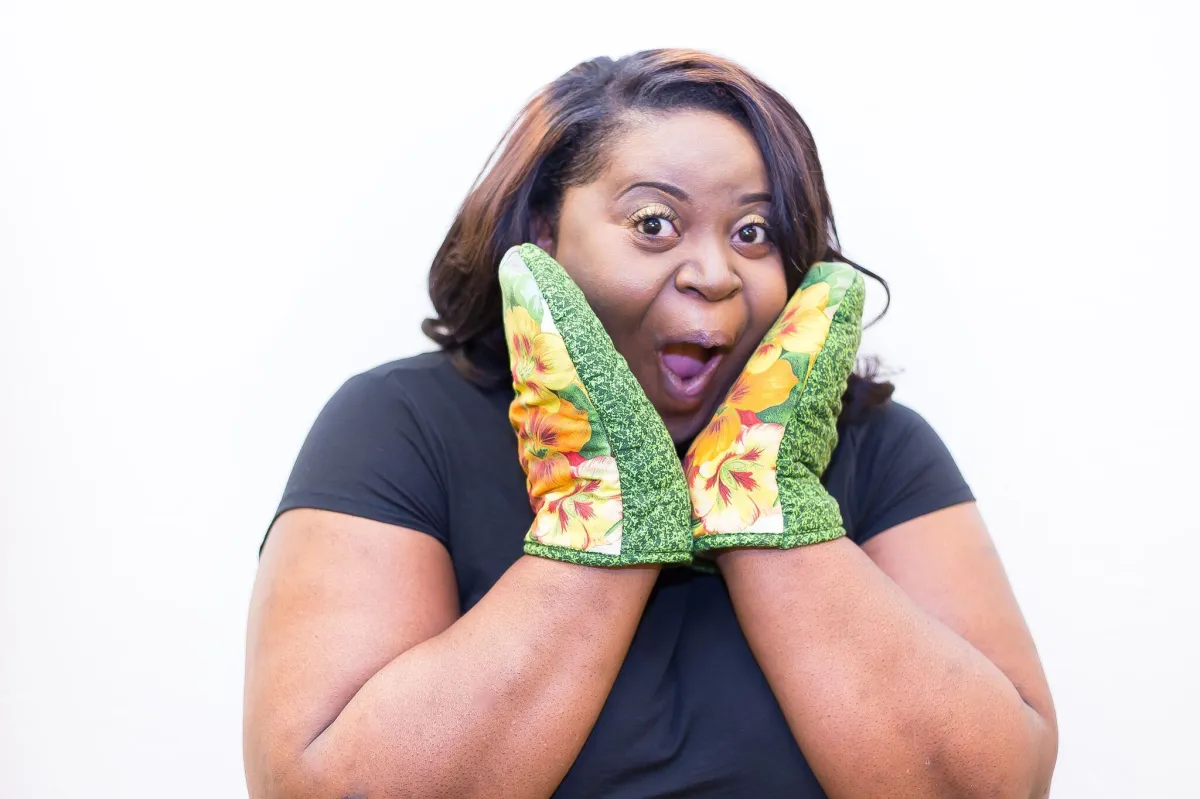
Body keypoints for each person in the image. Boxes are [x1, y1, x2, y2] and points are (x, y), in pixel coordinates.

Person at [243, 49, 1058, 798]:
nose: (714, 273)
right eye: (654, 223)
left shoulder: (877, 445)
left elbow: (995, 785)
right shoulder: (401, 425)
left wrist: (764, 499)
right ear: (544, 236)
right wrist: (599, 507)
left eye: (753, 232)